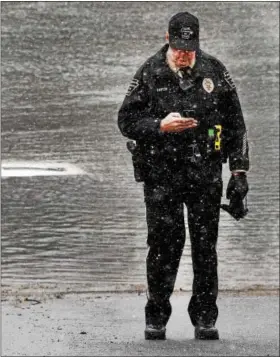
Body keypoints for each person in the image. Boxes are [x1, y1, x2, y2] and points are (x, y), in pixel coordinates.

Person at [118, 11, 249, 341]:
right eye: (178, 47)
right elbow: (126, 121)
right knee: (163, 246)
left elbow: (236, 126)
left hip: (205, 174)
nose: (183, 54)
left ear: (197, 44)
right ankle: (157, 315)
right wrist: (160, 126)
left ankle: (204, 316)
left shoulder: (215, 72)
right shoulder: (150, 72)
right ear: (167, 39)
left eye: (188, 48)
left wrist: (238, 172)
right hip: (161, 176)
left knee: (206, 248)